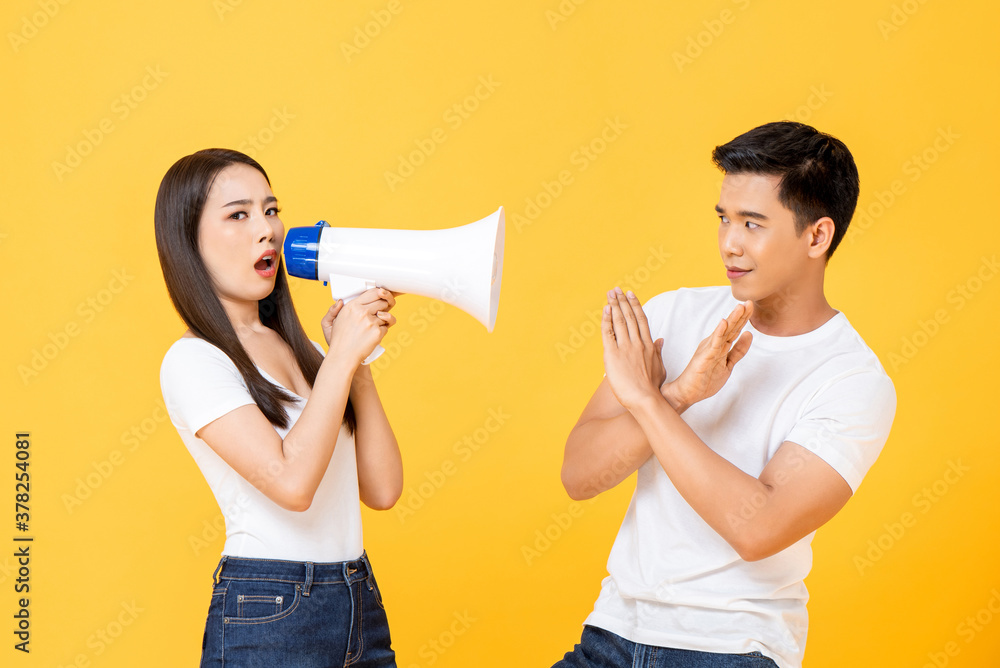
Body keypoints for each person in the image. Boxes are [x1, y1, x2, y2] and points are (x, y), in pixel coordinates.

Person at [555, 122, 896, 668]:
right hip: (612, 634)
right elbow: (579, 476)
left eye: (752, 224)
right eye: (724, 218)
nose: (728, 243)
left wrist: (648, 400)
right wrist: (678, 395)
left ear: (817, 236)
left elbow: (758, 528)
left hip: (733, 650)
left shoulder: (852, 380)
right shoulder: (675, 314)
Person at [155, 148, 401, 667]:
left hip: (357, 597)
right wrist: (339, 360)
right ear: (188, 242)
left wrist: (356, 365)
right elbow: (291, 483)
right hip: (271, 606)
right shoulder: (194, 360)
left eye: (271, 209)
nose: (267, 230)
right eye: (238, 215)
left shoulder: (305, 351)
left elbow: (383, 489)